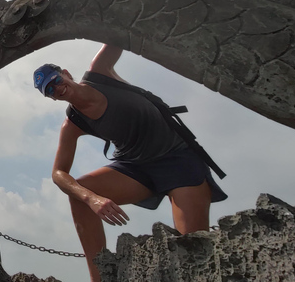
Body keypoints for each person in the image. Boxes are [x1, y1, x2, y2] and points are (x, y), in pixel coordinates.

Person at [34, 44, 227, 282]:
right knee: (80, 195)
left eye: (56, 80)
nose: (57, 88)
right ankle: (99, 279)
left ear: (66, 73)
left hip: (178, 160)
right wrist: (92, 199)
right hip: (135, 168)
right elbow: (58, 174)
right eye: (49, 90)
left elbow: (114, 34)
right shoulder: (73, 123)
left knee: (195, 252)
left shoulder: (100, 73)